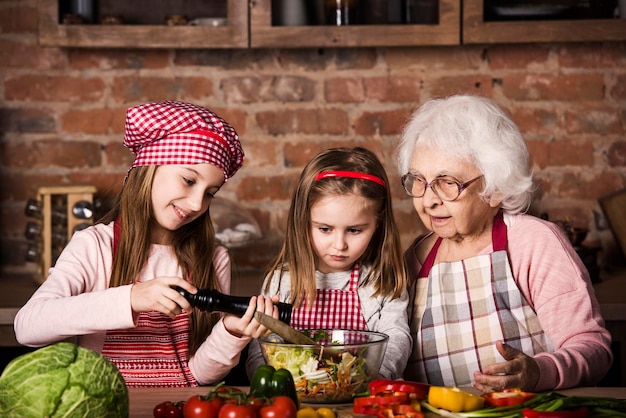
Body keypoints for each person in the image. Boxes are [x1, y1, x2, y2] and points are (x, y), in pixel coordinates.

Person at [14, 100, 279, 387]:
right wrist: (131, 298)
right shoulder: (95, 246)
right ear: (149, 167)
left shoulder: (213, 257)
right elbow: (28, 327)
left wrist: (230, 332)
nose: (196, 204)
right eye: (189, 180)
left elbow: (198, 375)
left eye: (210, 193)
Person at [398, 94, 613, 392]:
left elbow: (593, 348)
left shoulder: (532, 243)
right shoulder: (417, 258)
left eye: (448, 183)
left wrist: (540, 371)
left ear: (495, 188)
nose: (430, 200)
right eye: (419, 180)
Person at [246, 147, 412, 381]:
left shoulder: (380, 280)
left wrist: (377, 379)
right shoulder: (282, 280)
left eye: (354, 230)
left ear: (378, 225)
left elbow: (395, 337)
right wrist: (271, 383)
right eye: (325, 229)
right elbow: (263, 342)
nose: (339, 245)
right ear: (303, 222)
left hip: (361, 393)